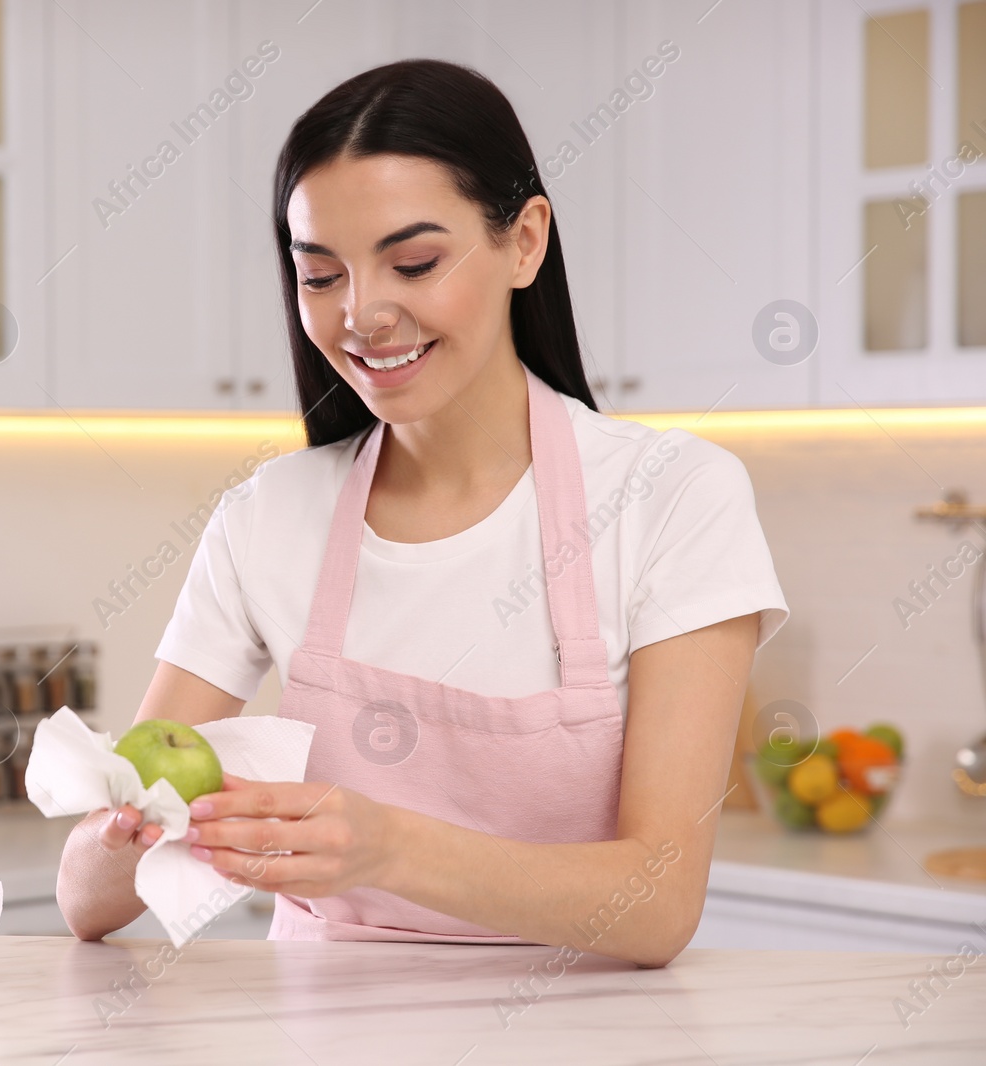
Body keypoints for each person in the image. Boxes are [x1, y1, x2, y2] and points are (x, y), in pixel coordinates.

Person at [56, 58, 788, 968]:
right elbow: (87, 905)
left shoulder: (674, 496)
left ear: (525, 242)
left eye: (414, 263)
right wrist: (118, 836)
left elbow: (657, 904)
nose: (363, 316)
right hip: (322, 1027)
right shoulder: (266, 518)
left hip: (585, 1031)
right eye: (321, 276)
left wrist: (390, 847)